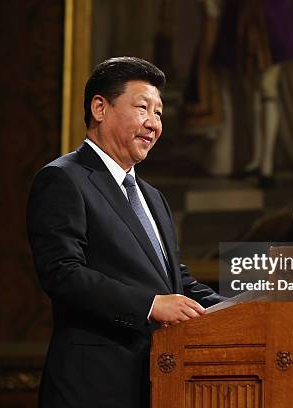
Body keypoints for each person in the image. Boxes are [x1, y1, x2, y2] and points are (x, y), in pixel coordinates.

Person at [27, 56, 225, 408]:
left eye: (160, 113)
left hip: (158, 383)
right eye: (143, 108)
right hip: (92, 387)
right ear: (100, 108)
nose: (154, 124)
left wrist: (242, 310)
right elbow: (62, 273)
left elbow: (174, 282)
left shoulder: (153, 197)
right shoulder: (63, 178)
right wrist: (149, 306)